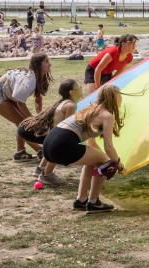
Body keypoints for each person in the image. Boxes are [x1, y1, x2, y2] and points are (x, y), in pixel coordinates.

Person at [43, 85, 126, 213]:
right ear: (115, 97)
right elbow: (108, 147)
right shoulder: (107, 115)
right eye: (120, 95)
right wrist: (118, 164)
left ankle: (81, 200)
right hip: (62, 144)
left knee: (94, 160)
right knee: (106, 162)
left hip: (49, 144)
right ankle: (93, 202)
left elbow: (91, 144)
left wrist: (102, 158)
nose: (121, 98)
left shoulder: (91, 109)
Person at [0, 53, 52, 161]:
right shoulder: (29, 79)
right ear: (39, 64)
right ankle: (40, 151)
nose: (50, 64)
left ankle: (20, 153)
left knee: (21, 123)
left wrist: (39, 116)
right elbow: (20, 102)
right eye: (47, 62)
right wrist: (32, 119)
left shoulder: (38, 76)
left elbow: (38, 99)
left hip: (6, 94)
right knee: (24, 124)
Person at [18, 79, 82, 186]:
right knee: (60, 145)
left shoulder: (64, 102)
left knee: (57, 142)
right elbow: (67, 130)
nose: (81, 88)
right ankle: (47, 176)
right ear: (71, 92)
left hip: (25, 129)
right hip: (30, 131)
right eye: (78, 87)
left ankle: (41, 169)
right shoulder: (71, 106)